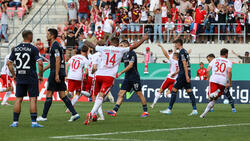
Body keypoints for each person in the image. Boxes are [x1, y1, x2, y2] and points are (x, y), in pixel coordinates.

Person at [83, 35, 148, 125]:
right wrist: (143, 39)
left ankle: (95, 114)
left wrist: (83, 40)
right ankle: (92, 113)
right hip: (109, 76)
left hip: (99, 74)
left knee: (98, 96)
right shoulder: (120, 50)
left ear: (110, 43)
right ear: (117, 44)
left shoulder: (104, 48)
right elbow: (134, 46)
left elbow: (91, 45)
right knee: (101, 96)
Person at [37, 28, 80, 122]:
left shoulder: (55, 45)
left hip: (56, 72)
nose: (46, 35)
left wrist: (56, 74)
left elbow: (57, 60)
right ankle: (74, 114)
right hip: (59, 71)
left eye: (48, 34)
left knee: (49, 93)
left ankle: (44, 116)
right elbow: (53, 62)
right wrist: (43, 70)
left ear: (52, 35)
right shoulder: (56, 45)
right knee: (62, 94)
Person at [8, 30, 43, 127]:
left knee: (18, 99)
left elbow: (9, 63)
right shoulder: (33, 48)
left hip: (20, 76)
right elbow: (40, 63)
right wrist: (40, 75)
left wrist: (14, 74)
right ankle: (34, 122)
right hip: (31, 76)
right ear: (30, 36)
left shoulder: (16, 48)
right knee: (32, 99)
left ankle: (15, 122)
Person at [105, 40, 149, 118]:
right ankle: (114, 111)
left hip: (134, 77)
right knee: (121, 93)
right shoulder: (124, 53)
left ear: (126, 45)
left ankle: (145, 112)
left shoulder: (132, 53)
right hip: (127, 77)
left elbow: (130, 65)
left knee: (139, 94)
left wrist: (120, 72)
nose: (119, 47)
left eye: (121, 45)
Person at [160, 39, 197, 116]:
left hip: (183, 74)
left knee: (174, 90)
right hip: (186, 72)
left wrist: (186, 76)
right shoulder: (185, 52)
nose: (174, 46)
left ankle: (169, 109)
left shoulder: (182, 52)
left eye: (175, 44)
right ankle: (194, 110)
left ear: (178, 44)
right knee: (189, 91)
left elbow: (184, 64)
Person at [200, 49, 232, 118]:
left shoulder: (214, 60)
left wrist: (208, 79)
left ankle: (213, 94)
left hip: (214, 79)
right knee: (214, 100)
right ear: (226, 54)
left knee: (210, 98)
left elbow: (208, 70)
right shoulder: (229, 61)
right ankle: (204, 114)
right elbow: (229, 71)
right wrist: (229, 82)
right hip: (222, 81)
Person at [151, 44, 179, 108]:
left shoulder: (173, 60)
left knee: (160, 91)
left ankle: (153, 104)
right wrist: (174, 48)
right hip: (175, 80)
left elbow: (165, 54)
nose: (172, 56)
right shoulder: (180, 62)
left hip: (169, 78)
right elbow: (180, 69)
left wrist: (161, 47)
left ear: (175, 57)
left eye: (173, 56)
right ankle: (171, 98)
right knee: (168, 93)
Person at [65, 46, 89, 112]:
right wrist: (86, 77)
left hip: (70, 75)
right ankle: (69, 108)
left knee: (71, 93)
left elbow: (67, 65)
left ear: (81, 51)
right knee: (78, 93)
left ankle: (69, 93)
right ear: (87, 52)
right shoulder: (85, 59)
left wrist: (66, 74)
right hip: (78, 77)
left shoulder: (73, 57)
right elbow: (86, 71)